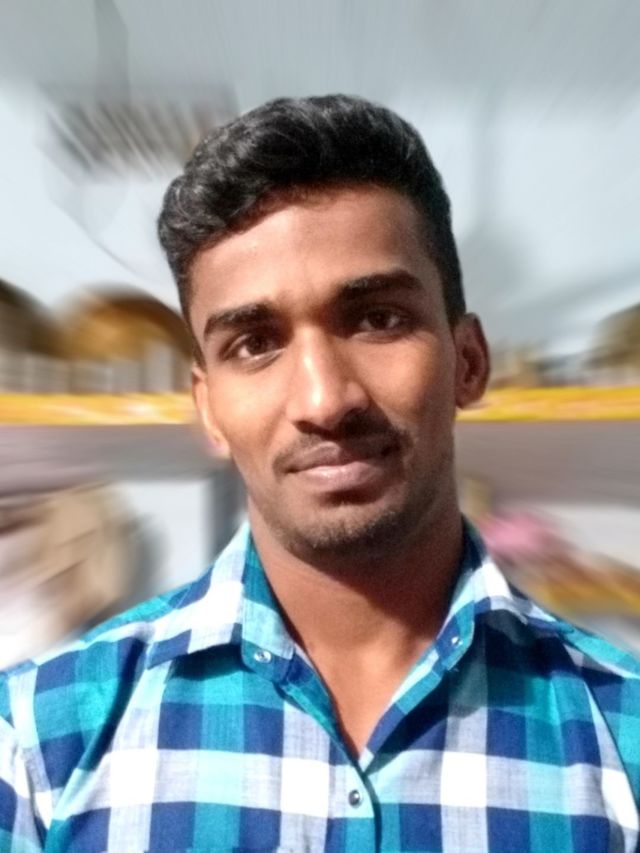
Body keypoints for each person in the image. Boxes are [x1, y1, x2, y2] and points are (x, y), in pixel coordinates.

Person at [1, 95, 639, 853]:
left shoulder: (623, 733)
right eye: (254, 343)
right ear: (208, 408)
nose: (324, 399)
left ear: (468, 361)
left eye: (377, 319)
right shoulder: (39, 744)